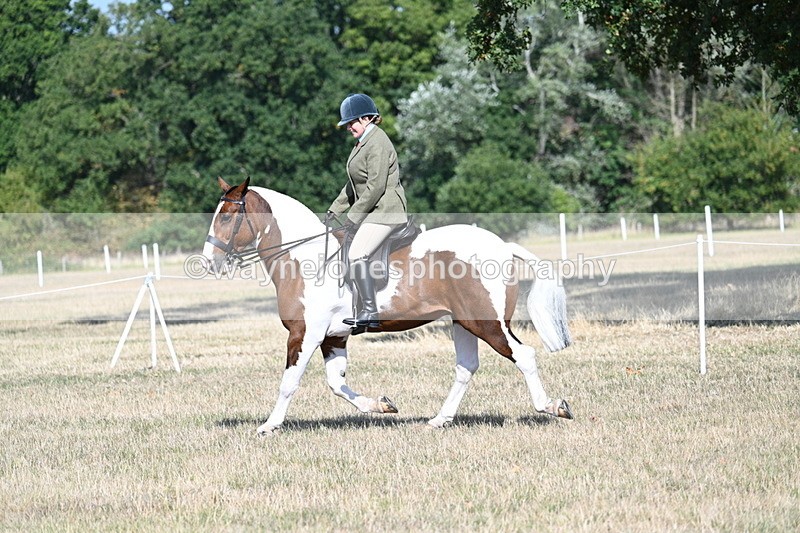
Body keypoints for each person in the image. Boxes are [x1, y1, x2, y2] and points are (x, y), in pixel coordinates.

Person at [327, 93, 408, 330]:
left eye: (351, 122)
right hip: (374, 209)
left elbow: (375, 187)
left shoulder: (378, 142)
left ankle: (370, 312)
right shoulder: (362, 143)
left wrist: (352, 217)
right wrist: (335, 209)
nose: (348, 127)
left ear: (366, 119)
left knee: (357, 254)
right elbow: (354, 184)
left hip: (386, 210)